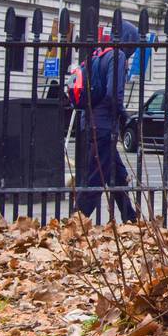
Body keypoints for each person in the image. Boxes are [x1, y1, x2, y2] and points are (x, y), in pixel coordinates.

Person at [73, 24, 140, 222]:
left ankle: (131, 220)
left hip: (89, 122)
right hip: (103, 126)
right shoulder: (117, 56)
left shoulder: (98, 54)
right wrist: (125, 116)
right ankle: (75, 223)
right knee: (96, 178)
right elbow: (113, 94)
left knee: (118, 175)